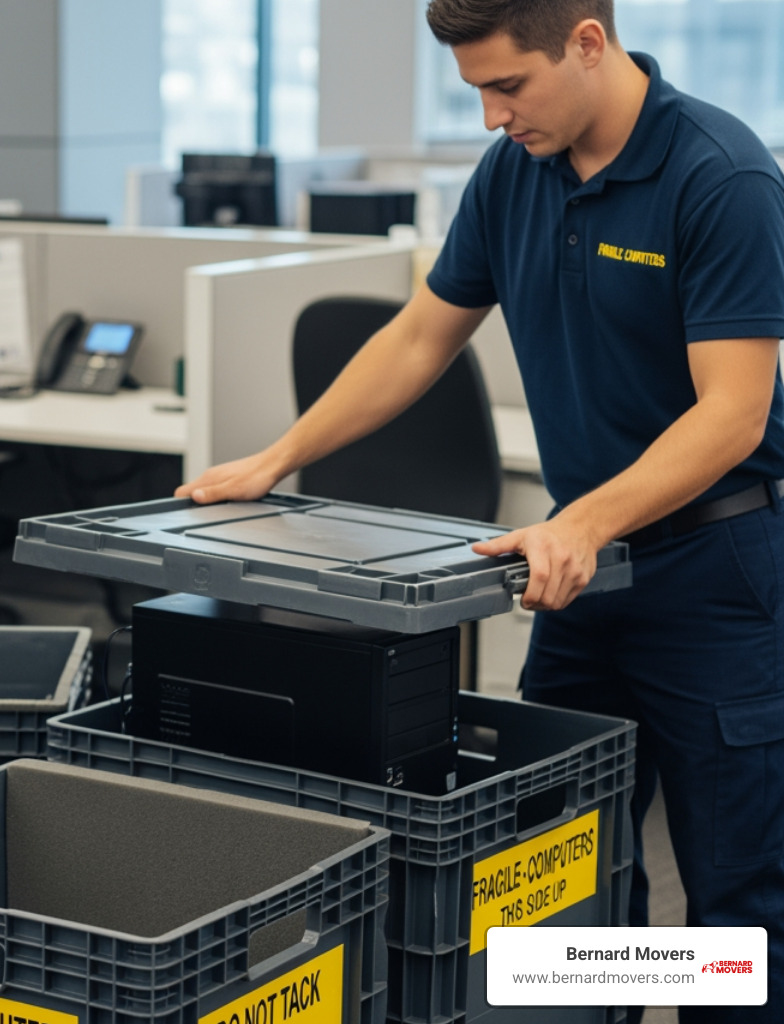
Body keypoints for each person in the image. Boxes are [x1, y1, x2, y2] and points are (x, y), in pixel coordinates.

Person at [178, 1, 784, 1019]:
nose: (494, 117)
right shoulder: (515, 173)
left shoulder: (720, 176)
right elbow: (421, 337)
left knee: (736, 902)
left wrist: (586, 521)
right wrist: (277, 458)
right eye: (476, 93)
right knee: (558, 868)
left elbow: (732, 413)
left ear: (589, 41)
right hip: (584, 576)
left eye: (510, 86)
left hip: (714, 573)